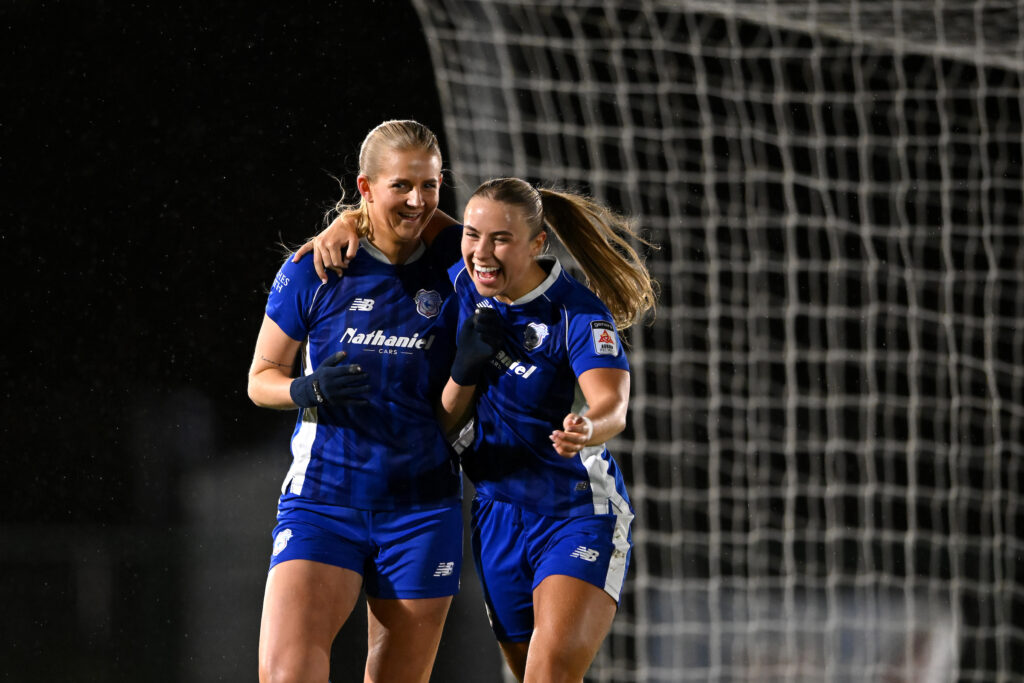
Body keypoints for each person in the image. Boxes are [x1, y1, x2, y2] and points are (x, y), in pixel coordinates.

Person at [301, 176, 657, 682]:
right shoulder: (461, 279)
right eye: (472, 235)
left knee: (548, 673)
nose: (481, 252)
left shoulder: (576, 313)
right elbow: (400, 215)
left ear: (537, 243)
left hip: (576, 511)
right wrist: (348, 220)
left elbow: (612, 405)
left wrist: (587, 426)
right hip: (497, 515)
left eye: (501, 239)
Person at [247, 119, 465, 683]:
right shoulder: (314, 269)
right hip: (324, 501)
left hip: (421, 508)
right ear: (366, 187)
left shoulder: (459, 269)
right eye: (401, 186)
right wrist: (304, 389)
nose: (418, 201)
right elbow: (261, 376)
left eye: (431, 185)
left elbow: (498, 246)